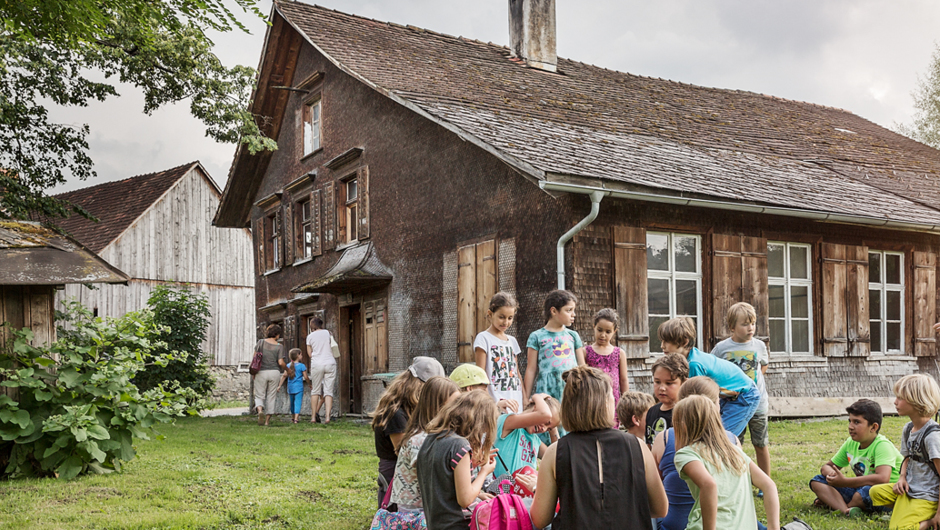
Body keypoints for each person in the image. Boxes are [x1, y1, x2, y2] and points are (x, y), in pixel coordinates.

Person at [529, 366, 668, 529]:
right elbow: (660, 508)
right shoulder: (638, 446)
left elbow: (540, 519)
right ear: (605, 403)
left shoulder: (555, 452)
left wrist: (535, 489)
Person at [673, 394, 781, 530]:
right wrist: (773, 527)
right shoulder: (735, 452)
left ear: (682, 426)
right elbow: (769, 485)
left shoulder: (686, 454)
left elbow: (709, 485)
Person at [653, 377, 745, 530]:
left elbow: (654, 489)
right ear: (713, 405)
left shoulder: (664, 438)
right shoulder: (732, 442)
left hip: (674, 524)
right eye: (718, 401)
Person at [659, 317, 759, 437]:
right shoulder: (689, 357)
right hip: (726, 396)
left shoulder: (694, 364)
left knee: (722, 436)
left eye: (666, 342)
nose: (662, 346)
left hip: (744, 395)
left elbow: (697, 400)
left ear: (684, 342)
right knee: (712, 432)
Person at [416, 390, 499, 530]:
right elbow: (465, 499)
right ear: (479, 422)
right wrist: (484, 472)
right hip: (457, 525)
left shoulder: (431, 439)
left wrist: (470, 464)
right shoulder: (459, 445)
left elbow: (443, 480)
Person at [711, 302, 772, 489]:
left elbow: (763, 366)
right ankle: (738, 482)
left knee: (761, 444)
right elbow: (713, 368)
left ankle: (765, 482)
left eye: (753, 323)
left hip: (758, 404)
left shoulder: (759, 346)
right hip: (733, 406)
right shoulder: (722, 348)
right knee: (734, 443)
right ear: (732, 327)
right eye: (745, 324)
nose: (750, 328)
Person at [372, 356, 445, 507]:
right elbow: (403, 451)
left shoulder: (413, 407)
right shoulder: (395, 412)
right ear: (421, 385)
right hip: (396, 470)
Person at [870, 374, 940, 530]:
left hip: (928, 495)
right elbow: (908, 458)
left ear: (917, 401)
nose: (895, 402)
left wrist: (939, 515)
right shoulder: (908, 428)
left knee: (898, 528)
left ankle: (928, 521)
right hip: (910, 487)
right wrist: (902, 478)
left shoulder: (932, 437)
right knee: (874, 492)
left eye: (900, 398)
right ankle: (909, 510)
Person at [809, 399, 902, 516]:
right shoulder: (851, 443)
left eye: (857, 422)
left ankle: (838, 504)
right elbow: (827, 467)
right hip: (858, 488)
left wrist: (845, 482)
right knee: (817, 481)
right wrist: (833, 475)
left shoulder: (882, 445)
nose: (850, 427)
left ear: (873, 427)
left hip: (883, 494)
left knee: (864, 492)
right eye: (850, 421)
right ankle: (846, 511)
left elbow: (882, 478)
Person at [390, 376, 460, 513]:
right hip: (416, 512)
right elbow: (432, 477)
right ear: (437, 406)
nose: (459, 409)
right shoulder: (420, 439)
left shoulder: (434, 435)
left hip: (428, 507)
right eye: (454, 404)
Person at [524, 289, 585, 440]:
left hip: (570, 389)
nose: (573, 314)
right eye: (569, 310)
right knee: (546, 425)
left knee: (571, 424)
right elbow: (531, 370)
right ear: (553, 311)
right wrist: (525, 396)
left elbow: (582, 367)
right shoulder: (537, 336)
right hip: (547, 392)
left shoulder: (573, 336)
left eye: (573, 310)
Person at [474, 292, 524, 410]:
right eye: (501, 317)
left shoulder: (512, 341)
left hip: (516, 401)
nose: (506, 322)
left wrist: (525, 398)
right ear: (490, 314)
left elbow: (517, 373)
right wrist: (489, 403)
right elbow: (480, 375)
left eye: (510, 318)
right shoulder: (483, 338)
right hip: (495, 402)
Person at [492, 393, 561, 477]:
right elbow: (544, 414)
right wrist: (537, 397)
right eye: (546, 422)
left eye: (548, 429)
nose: (544, 429)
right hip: (501, 488)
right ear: (536, 407)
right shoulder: (509, 423)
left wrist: (553, 428)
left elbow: (557, 459)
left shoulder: (535, 440)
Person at [584, 308, 629, 426]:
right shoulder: (586, 352)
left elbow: (623, 379)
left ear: (615, 331)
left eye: (608, 332)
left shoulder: (619, 353)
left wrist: (626, 402)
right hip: (593, 400)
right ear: (594, 326)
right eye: (599, 330)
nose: (603, 335)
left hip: (613, 401)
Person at [645, 353, 689, 446]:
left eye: (669, 383)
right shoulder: (651, 411)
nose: (662, 388)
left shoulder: (686, 413)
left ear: (684, 383)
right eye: (657, 382)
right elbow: (649, 444)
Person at [252, 323, 287, 426]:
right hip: (274, 372)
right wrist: (288, 369)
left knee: (259, 394)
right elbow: (280, 362)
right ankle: (267, 421)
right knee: (271, 396)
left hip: (261, 371)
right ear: (277, 335)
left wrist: (253, 372)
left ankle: (260, 411)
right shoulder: (279, 346)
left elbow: (254, 358)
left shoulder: (261, 343)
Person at [305, 317, 337, 424]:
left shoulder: (309, 337)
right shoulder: (329, 333)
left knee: (315, 391)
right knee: (328, 391)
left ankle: (313, 417)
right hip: (330, 362)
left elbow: (309, 354)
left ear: (312, 326)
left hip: (317, 364)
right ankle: (327, 417)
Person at [276, 348, 309, 424]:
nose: (302, 356)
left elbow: (284, 376)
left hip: (290, 387)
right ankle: (296, 419)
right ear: (298, 355)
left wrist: (279, 386)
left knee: (292, 403)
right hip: (299, 387)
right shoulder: (302, 366)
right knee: (298, 402)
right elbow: (306, 377)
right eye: (301, 354)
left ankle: (292, 417)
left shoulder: (288, 365)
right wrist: (309, 384)